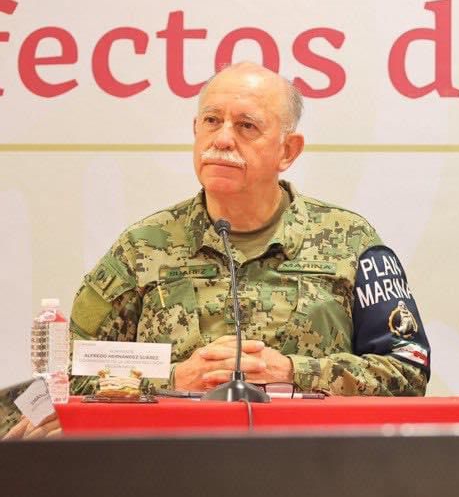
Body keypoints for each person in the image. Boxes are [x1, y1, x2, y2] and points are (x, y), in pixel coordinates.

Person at [70, 62, 431, 397]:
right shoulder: (142, 247)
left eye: (246, 126)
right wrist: (175, 379)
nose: (222, 139)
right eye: (212, 121)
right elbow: (69, 372)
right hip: (175, 445)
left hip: (307, 445)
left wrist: (292, 371)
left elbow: (407, 371)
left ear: (288, 150)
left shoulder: (350, 240)